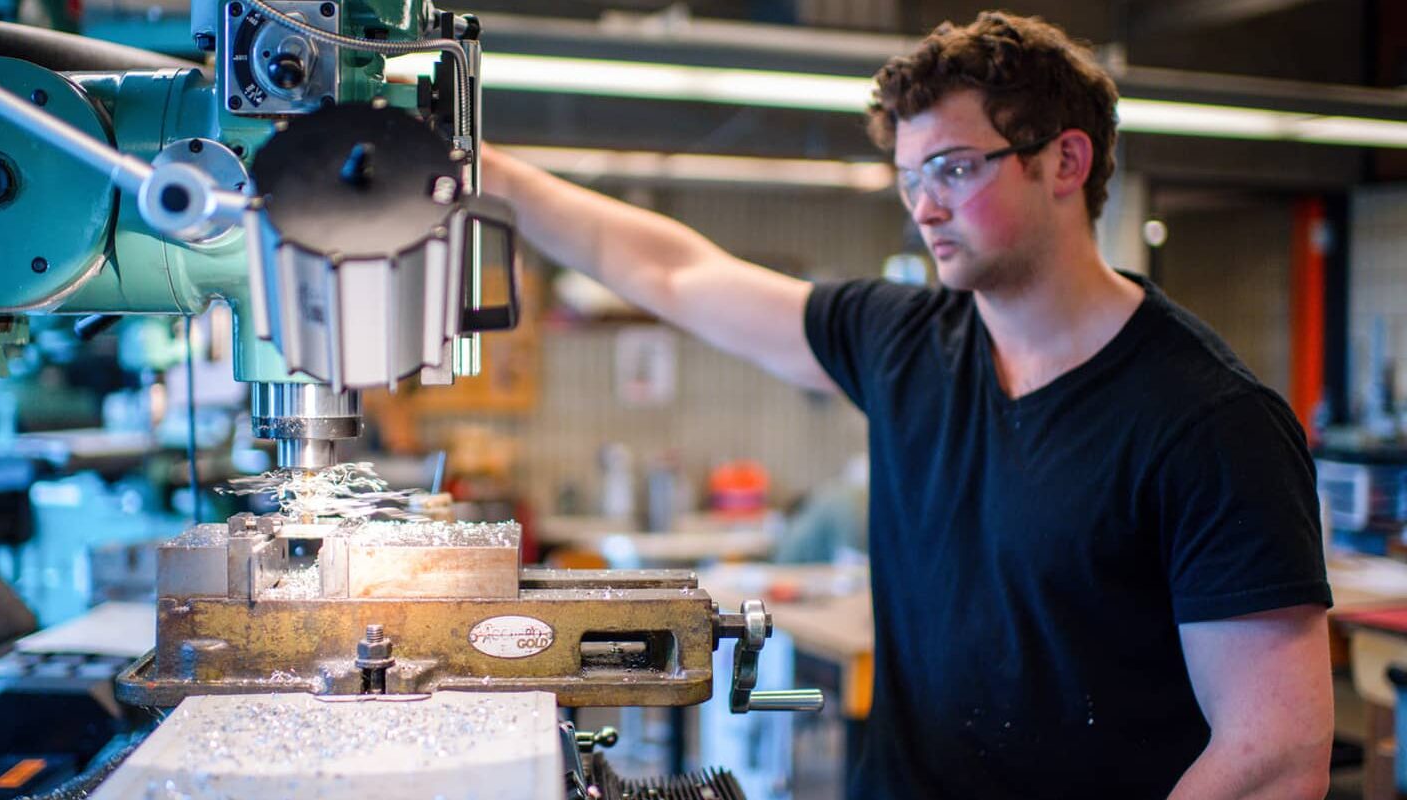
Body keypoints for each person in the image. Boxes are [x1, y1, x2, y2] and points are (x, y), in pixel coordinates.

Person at [480, 10, 1333, 799]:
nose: (925, 207)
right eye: (908, 176)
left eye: (956, 169)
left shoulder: (1211, 422)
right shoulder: (903, 343)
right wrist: (480, 170)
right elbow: (677, 273)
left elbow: (1276, 754)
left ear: (1066, 161)